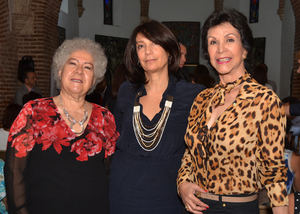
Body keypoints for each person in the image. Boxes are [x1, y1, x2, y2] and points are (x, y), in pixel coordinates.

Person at [177, 9, 288, 214]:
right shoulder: (201, 99)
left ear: (244, 49)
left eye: (229, 40)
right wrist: (183, 184)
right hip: (197, 207)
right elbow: (189, 153)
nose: (220, 50)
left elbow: (274, 172)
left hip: (238, 208)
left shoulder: (264, 99)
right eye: (213, 42)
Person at [5, 38, 119, 214]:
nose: (79, 71)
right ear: (59, 71)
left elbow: (109, 172)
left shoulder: (105, 118)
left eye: (88, 67)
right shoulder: (33, 112)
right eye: (72, 63)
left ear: (94, 78)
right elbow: (14, 173)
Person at [109, 20, 205, 214]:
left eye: (154, 44)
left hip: (170, 195)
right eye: (141, 46)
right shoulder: (127, 92)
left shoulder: (193, 94)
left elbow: (202, 148)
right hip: (124, 193)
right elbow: (116, 139)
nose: (147, 51)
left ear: (169, 50)